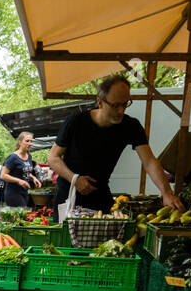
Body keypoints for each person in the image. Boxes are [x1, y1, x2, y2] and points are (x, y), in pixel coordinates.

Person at [50, 74, 183, 213]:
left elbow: (149, 161)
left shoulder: (131, 126)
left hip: (100, 194)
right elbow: (53, 158)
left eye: (125, 104)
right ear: (100, 102)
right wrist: (75, 179)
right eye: (115, 105)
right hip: (68, 195)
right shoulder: (75, 122)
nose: (121, 110)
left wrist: (167, 193)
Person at [0, 132, 42, 209]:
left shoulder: (29, 156)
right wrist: (19, 181)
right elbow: (3, 175)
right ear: (20, 142)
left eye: (31, 141)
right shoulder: (13, 157)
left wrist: (33, 178)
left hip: (24, 192)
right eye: (27, 141)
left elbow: (24, 171)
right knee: (20, 217)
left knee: (23, 216)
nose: (30, 143)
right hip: (13, 193)